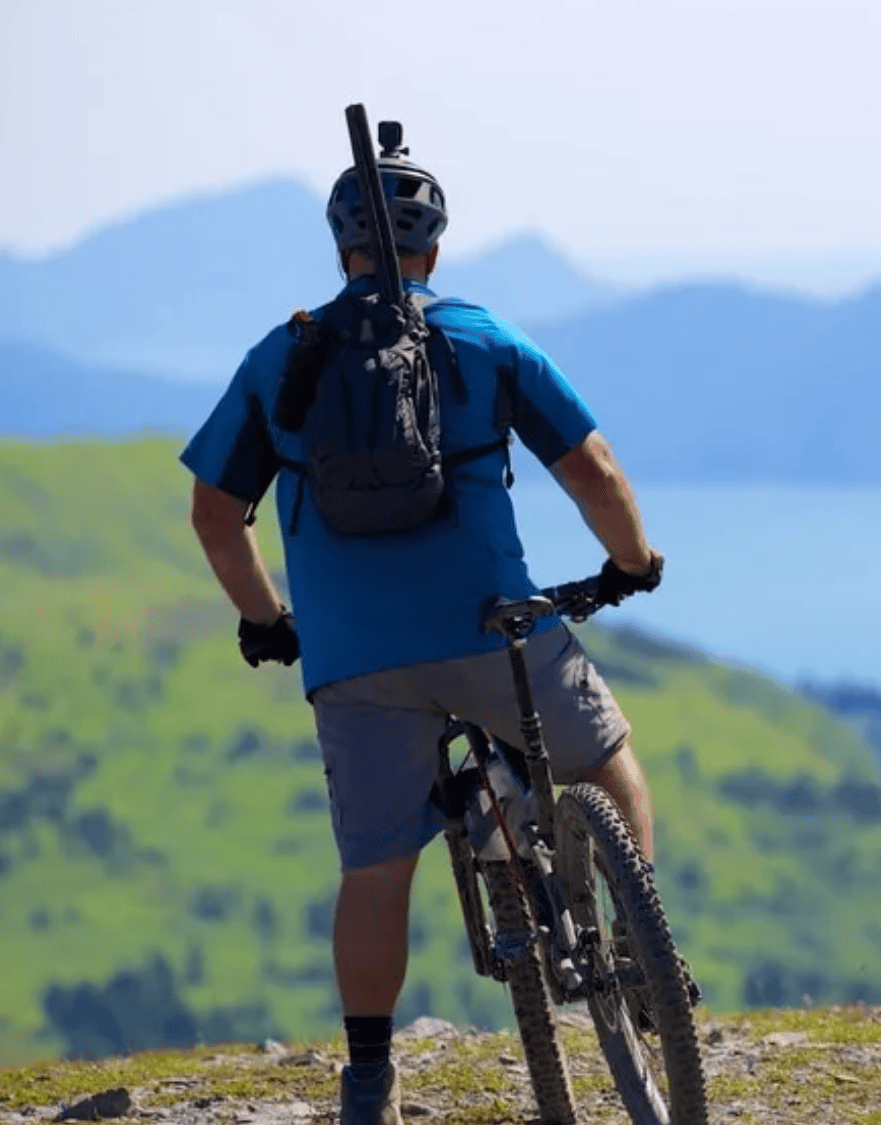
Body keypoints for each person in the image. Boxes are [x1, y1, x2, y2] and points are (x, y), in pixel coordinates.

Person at [180, 127, 677, 1125]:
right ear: (434, 250)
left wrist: (271, 622)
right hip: (495, 631)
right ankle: (636, 958)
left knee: (375, 869)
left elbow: (213, 515)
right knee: (607, 756)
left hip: (356, 659)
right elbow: (595, 472)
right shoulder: (485, 339)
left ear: (340, 249)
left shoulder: (282, 353)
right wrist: (631, 562)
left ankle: (368, 1075)